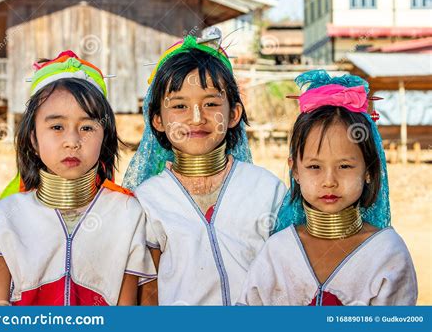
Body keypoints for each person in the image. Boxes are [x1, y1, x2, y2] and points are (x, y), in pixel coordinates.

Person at [0, 50, 156, 306]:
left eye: (87, 127)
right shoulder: (3, 218)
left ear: (105, 139)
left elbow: (126, 314)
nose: (72, 142)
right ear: (33, 139)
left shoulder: (127, 214)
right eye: (57, 127)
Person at [123, 32, 287, 305]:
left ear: (234, 113)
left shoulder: (267, 190)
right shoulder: (148, 200)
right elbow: (148, 291)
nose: (197, 117)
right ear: (158, 120)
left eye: (211, 104)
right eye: (179, 106)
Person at [237, 70, 418, 306]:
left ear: (369, 172)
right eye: (314, 166)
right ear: (295, 171)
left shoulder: (387, 253)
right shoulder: (277, 251)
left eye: (344, 166)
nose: (329, 181)